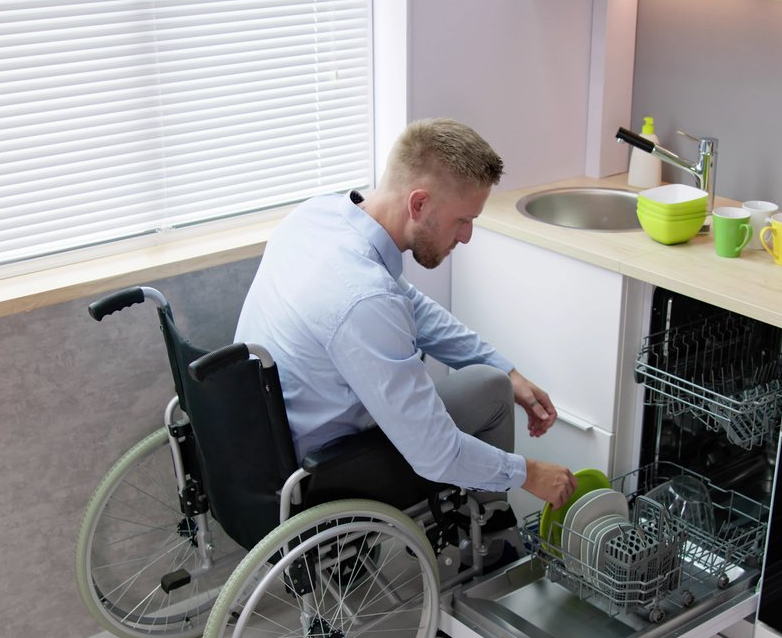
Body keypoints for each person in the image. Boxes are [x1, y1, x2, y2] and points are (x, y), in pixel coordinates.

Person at [235, 118, 579, 532]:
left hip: (261, 447)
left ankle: (481, 526)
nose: (467, 237)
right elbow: (435, 454)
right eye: (462, 220)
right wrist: (528, 473)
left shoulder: (317, 217)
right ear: (419, 205)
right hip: (327, 474)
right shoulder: (365, 299)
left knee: (495, 377)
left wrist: (508, 369)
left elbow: (410, 305)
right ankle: (490, 543)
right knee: (489, 390)